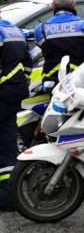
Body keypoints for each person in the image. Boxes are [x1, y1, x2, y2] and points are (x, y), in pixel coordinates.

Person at [34, 0, 84, 83]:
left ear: (53, 5)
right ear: (73, 4)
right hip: (81, 82)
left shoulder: (41, 29)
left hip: (52, 82)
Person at [0, 18, 31, 211]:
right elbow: (27, 63)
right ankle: (8, 196)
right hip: (14, 93)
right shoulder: (14, 30)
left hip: (2, 92)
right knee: (7, 144)